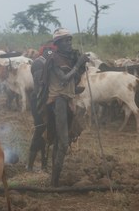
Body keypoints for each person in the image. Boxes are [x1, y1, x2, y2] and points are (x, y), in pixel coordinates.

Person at [41, 28, 90, 187]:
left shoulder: (66, 58)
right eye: (66, 41)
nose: (69, 43)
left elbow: (73, 79)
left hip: (67, 100)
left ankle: (53, 180)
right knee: (63, 142)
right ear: (58, 43)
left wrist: (81, 66)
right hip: (58, 101)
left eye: (70, 40)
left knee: (59, 140)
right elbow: (63, 79)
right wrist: (78, 64)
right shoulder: (54, 59)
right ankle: (54, 183)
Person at [27, 41, 57, 171]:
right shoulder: (39, 63)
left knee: (47, 131)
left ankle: (43, 165)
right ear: (47, 51)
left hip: (47, 101)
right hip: (40, 101)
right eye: (52, 52)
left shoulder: (45, 62)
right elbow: (41, 86)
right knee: (40, 131)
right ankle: (30, 165)